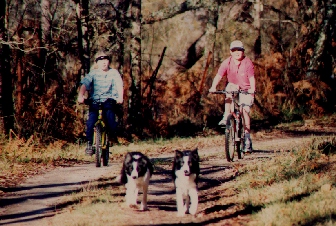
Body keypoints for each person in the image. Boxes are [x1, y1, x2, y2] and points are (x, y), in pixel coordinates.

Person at [209, 40, 255, 152]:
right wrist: (213, 87)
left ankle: (247, 138)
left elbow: (252, 78)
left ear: (243, 51)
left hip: (246, 89)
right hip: (234, 87)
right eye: (234, 50)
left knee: (244, 110)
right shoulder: (227, 62)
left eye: (239, 50)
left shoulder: (247, 62)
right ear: (230, 52)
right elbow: (219, 76)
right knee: (228, 90)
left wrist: (252, 89)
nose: (237, 52)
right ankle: (226, 116)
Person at [77, 51, 123, 155]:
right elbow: (85, 84)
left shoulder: (114, 72)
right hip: (95, 101)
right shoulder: (93, 73)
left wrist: (120, 97)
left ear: (109, 62)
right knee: (90, 123)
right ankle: (89, 144)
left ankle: (109, 139)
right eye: (101, 60)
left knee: (111, 123)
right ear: (97, 63)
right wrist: (81, 96)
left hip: (109, 101)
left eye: (106, 60)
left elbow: (119, 84)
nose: (104, 63)